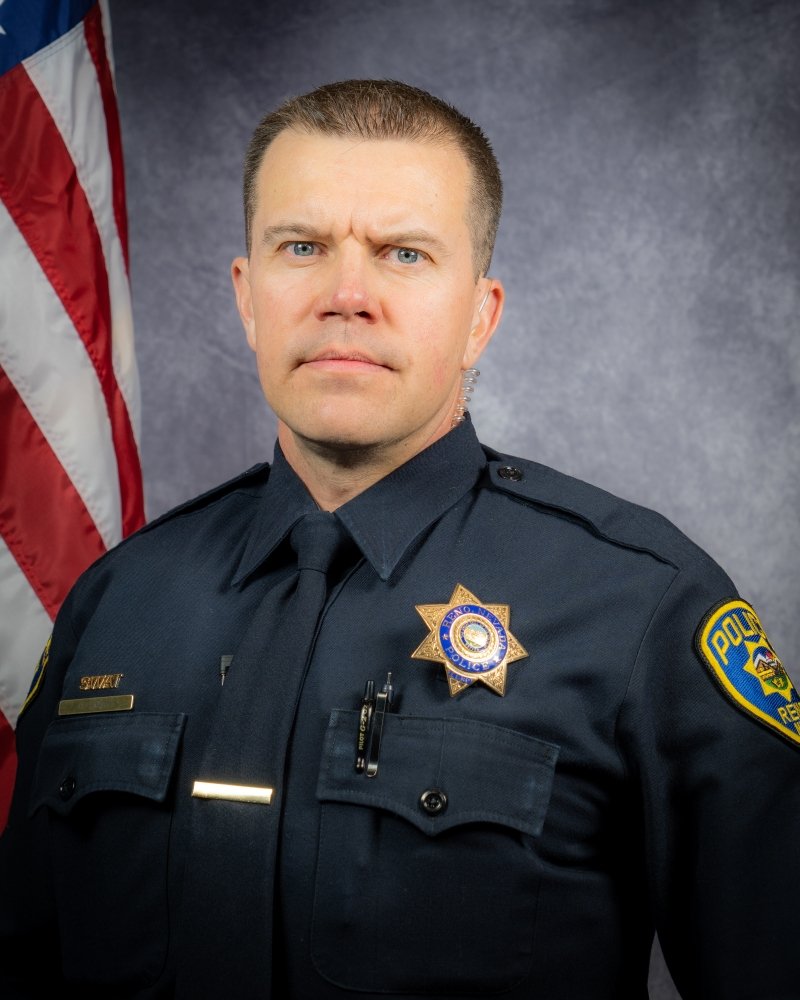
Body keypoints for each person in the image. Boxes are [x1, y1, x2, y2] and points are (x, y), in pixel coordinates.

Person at [0, 79, 797, 1000]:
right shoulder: (117, 603)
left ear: (481, 316)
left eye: (403, 254)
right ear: (247, 296)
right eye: (301, 247)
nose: (347, 295)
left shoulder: (641, 607)